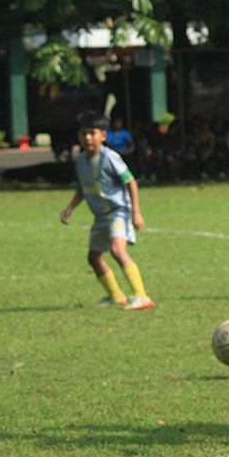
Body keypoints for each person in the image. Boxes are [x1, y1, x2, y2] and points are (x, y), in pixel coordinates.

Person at [60, 110, 154, 310]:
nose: (87, 137)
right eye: (83, 133)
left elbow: (131, 182)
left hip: (119, 211)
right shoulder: (81, 160)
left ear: (103, 135)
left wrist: (136, 213)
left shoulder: (109, 157)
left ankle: (141, 296)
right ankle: (116, 296)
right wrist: (70, 208)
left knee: (117, 250)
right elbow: (83, 188)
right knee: (93, 258)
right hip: (101, 216)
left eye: (92, 133)